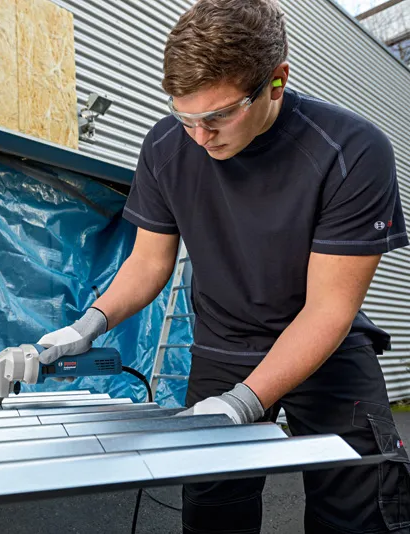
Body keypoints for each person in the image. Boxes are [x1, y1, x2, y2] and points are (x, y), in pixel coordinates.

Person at [34, 0, 410, 532]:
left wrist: (245, 403)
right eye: (185, 116)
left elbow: (330, 308)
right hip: (222, 348)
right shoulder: (167, 146)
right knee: (214, 515)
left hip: (327, 352)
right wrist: (85, 326)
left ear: (276, 81)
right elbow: (147, 263)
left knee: (360, 509)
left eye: (218, 116)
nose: (200, 136)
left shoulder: (351, 151)